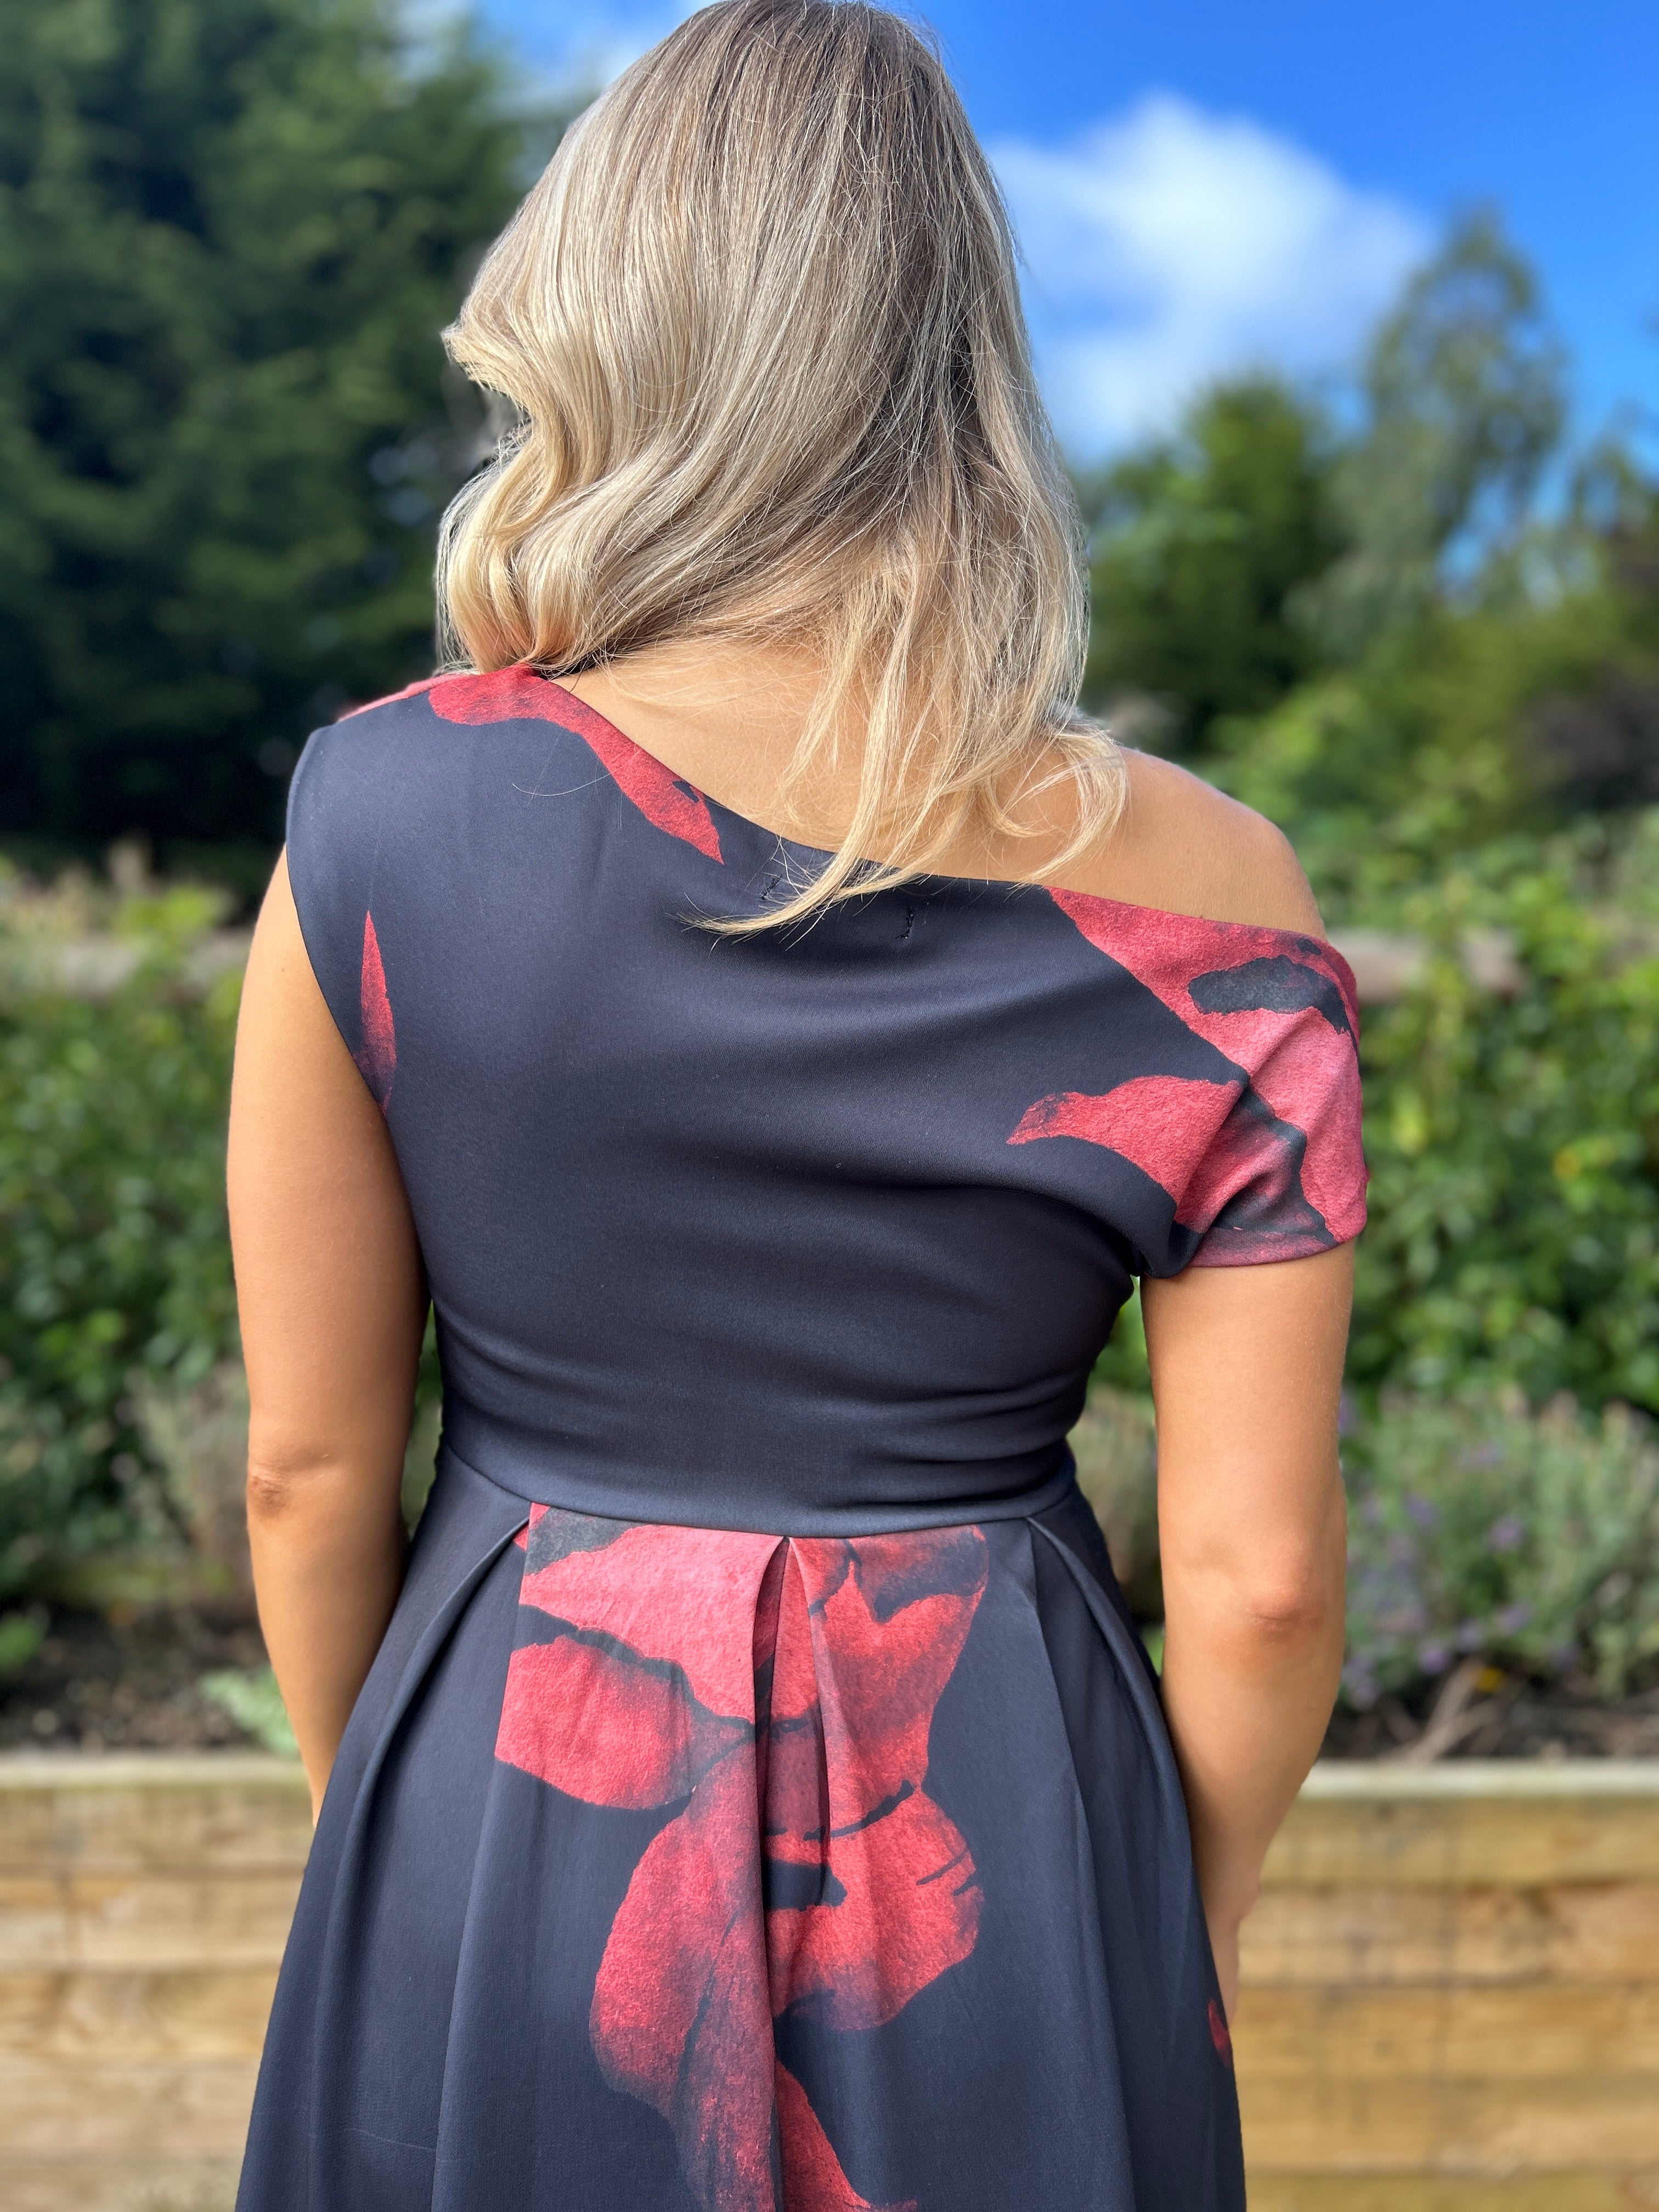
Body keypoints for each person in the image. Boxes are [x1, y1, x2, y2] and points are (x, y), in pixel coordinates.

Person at [228, 5, 1361, 2207]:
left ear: (611, 318)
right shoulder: (1224, 893)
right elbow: (1258, 1587)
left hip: (505, 1795)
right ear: (963, 358)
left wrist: (393, 1839)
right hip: (1002, 1830)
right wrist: (1170, 1933)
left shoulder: (378, 813)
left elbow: (304, 1473)